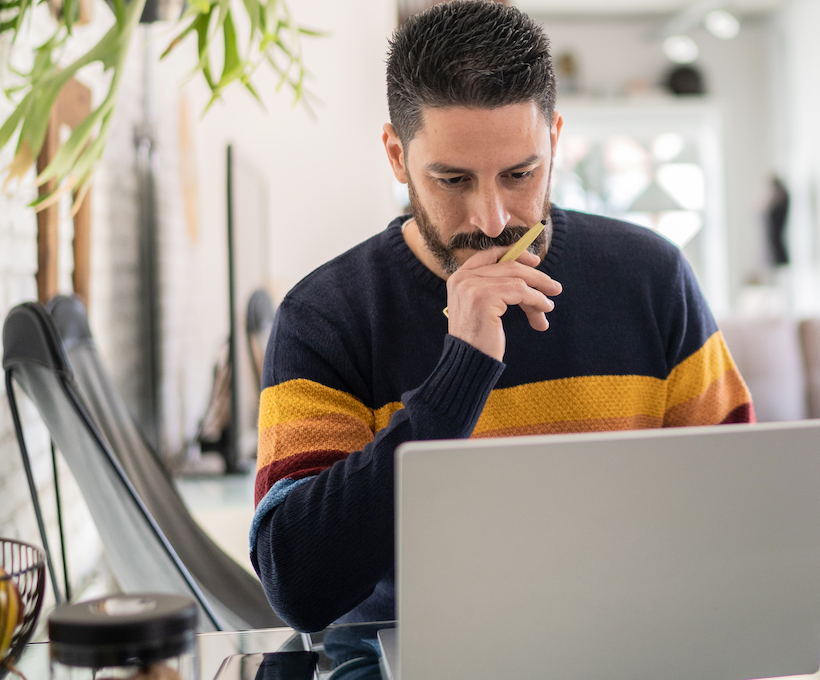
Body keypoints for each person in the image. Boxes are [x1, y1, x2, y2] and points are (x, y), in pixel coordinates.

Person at [249, 0, 755, 641]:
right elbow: (297, 586)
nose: (491, 219)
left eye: (520, 174)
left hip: (628, 645)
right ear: (398, 157)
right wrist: (457, 378)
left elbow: (740, 515)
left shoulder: (652, 277)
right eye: (452, 180)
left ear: (555, 141)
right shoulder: (324, 316)